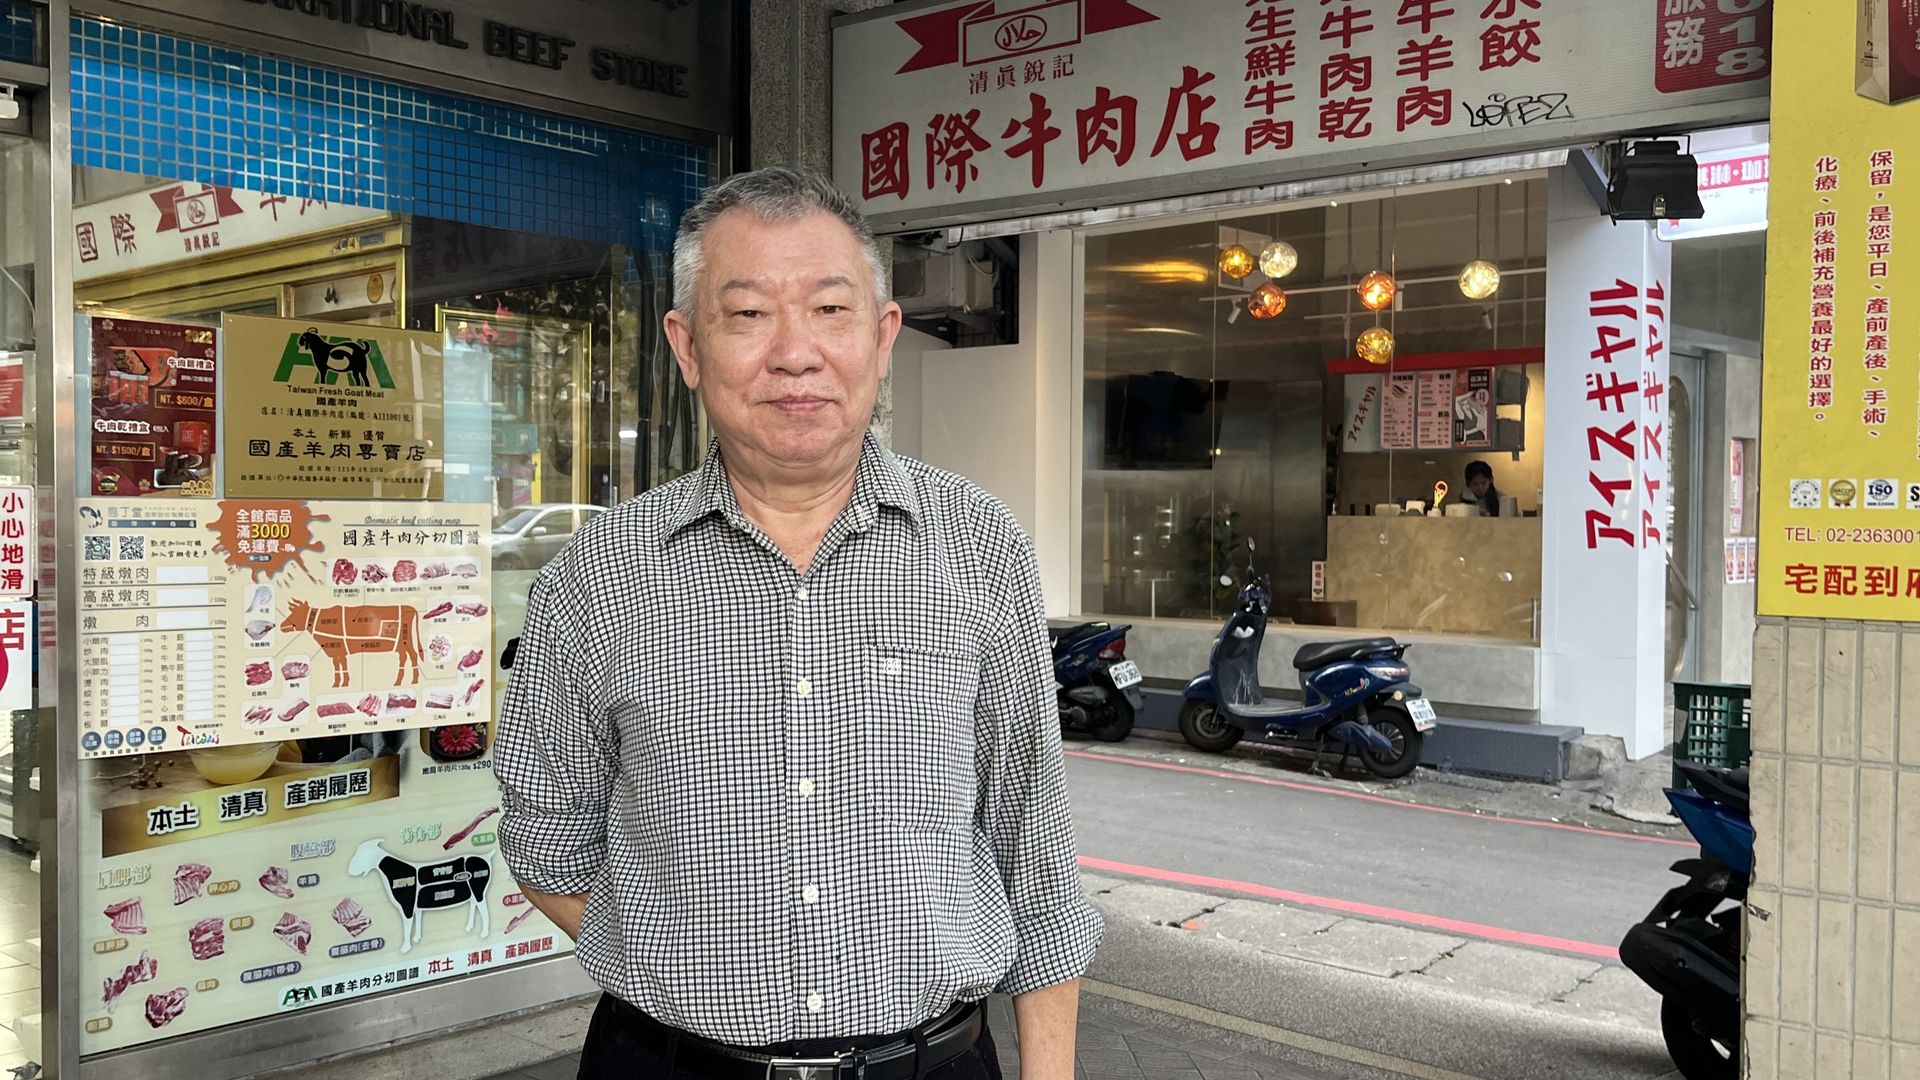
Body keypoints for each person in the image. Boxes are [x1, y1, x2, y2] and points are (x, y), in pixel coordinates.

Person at [495, 166, 1101, 1080]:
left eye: (829, 310)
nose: (795, 353)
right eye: (747, 315)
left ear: (884, 335)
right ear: (688, 346)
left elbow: (1032, 839)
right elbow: (546, 838)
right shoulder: (600, 574)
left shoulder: (977, 545)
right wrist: (681, 953)